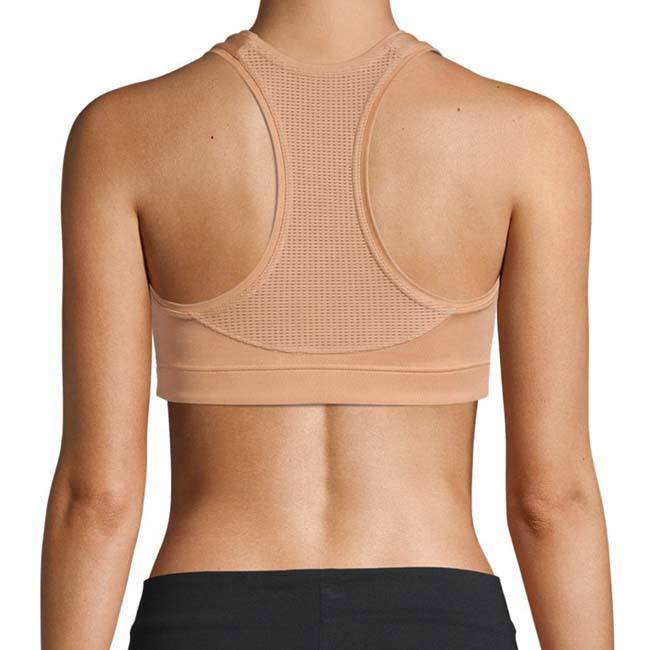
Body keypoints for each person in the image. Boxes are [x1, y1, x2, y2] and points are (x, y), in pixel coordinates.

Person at [41, 0, 613, 648]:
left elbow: (98, 500)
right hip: (439, 616)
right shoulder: (531, 139)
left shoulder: (122, 135)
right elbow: (551, 502)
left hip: (208, 614)